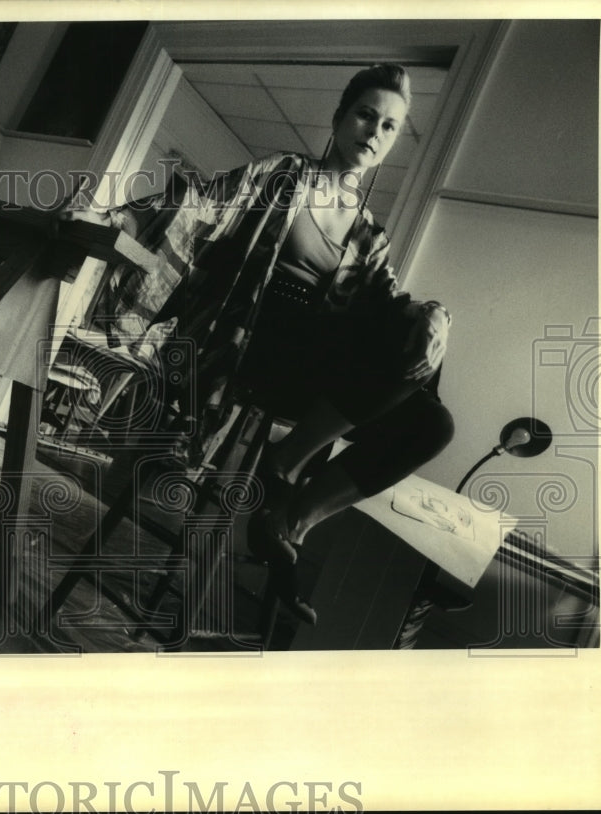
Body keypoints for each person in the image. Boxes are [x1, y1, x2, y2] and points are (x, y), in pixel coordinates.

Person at [72, 64, 454, 627]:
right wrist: (103, 218)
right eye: (366, 115)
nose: (374, 131)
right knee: (402, 347)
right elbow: (200, 201)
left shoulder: (371, 236)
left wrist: (433, 316)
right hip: (245, 352)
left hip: (312, 379)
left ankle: (292, 519)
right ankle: (285, 465)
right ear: (340, 117)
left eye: (390, 126)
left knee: (433, 420)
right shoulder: (284, 176)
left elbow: (387, 306)